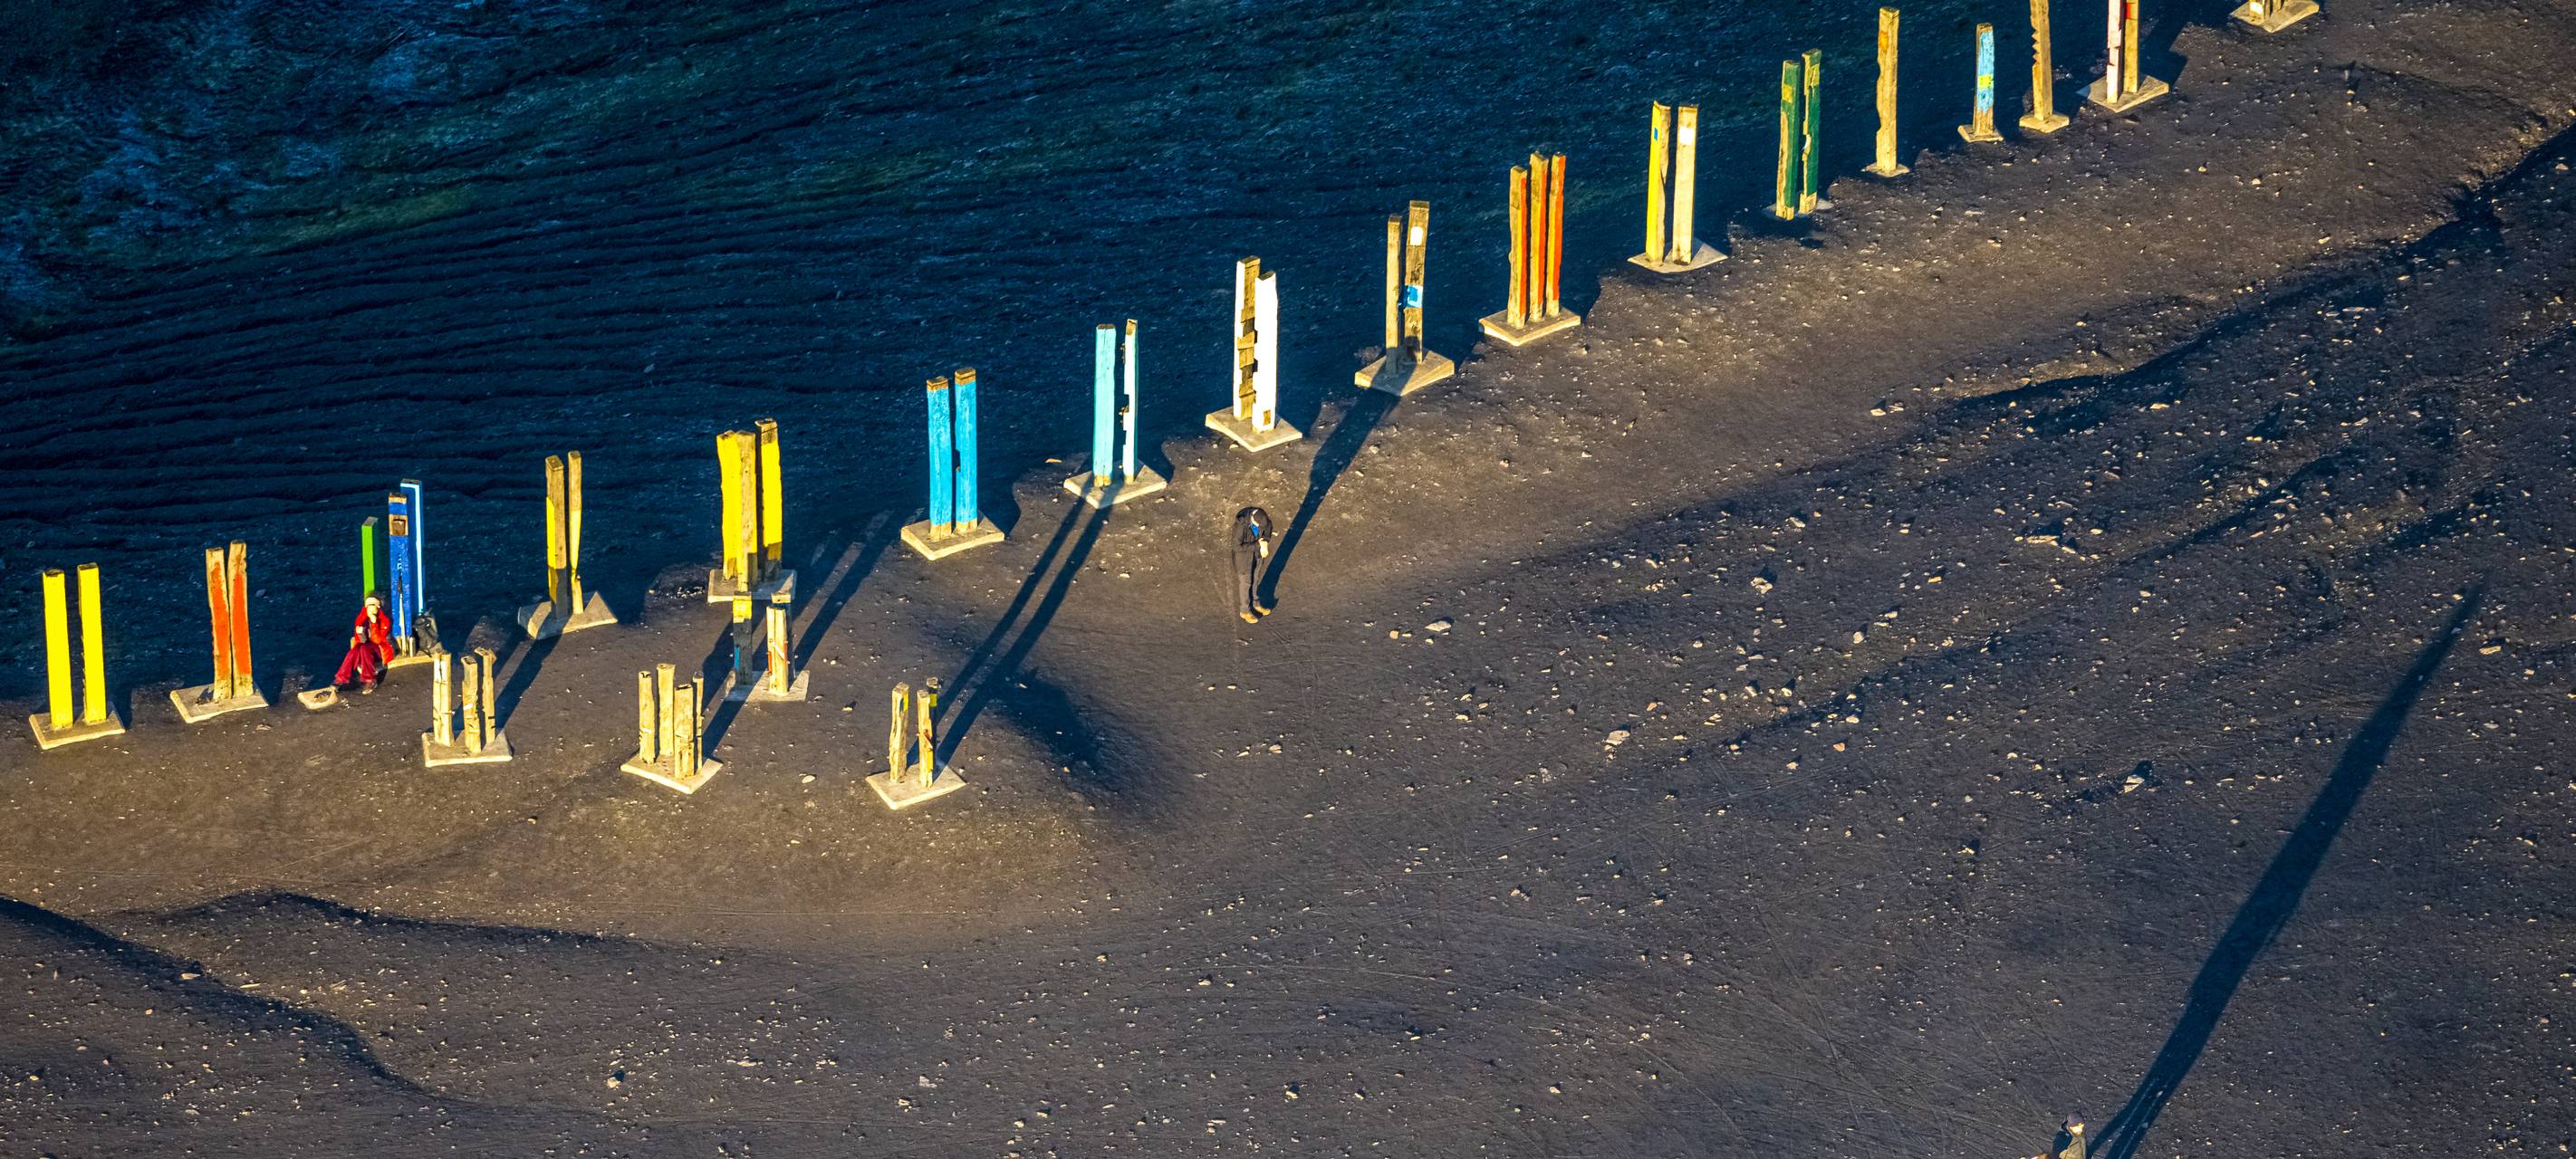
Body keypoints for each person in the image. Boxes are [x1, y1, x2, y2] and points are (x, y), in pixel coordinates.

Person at [334, 593, 394, 693]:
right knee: (356, 650)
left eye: (373, 606)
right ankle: (341, 678)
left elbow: (377, 640)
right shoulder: (361, 619)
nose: (370, 609)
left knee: (365, 648)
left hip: (379, 650)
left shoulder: (383, 620)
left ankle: (370, 679)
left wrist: (374, 623)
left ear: (378, 607)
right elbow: (359, 641)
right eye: (368, 606)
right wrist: (360, 633)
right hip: (364, 648)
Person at [1231, 506, 1274, 623]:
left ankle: (1256, 603)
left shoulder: (1263, 518)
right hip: (1243, 559)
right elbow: (1236, 546)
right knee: (1246, 583)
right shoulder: (1240, 525)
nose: (1261, 529)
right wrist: (1258, 545)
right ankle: (1244, 611)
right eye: (1259, 527)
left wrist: (1264, 541)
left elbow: (1268, 529)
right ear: (1253, 519)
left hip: (1257, 556)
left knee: (1255, 579)